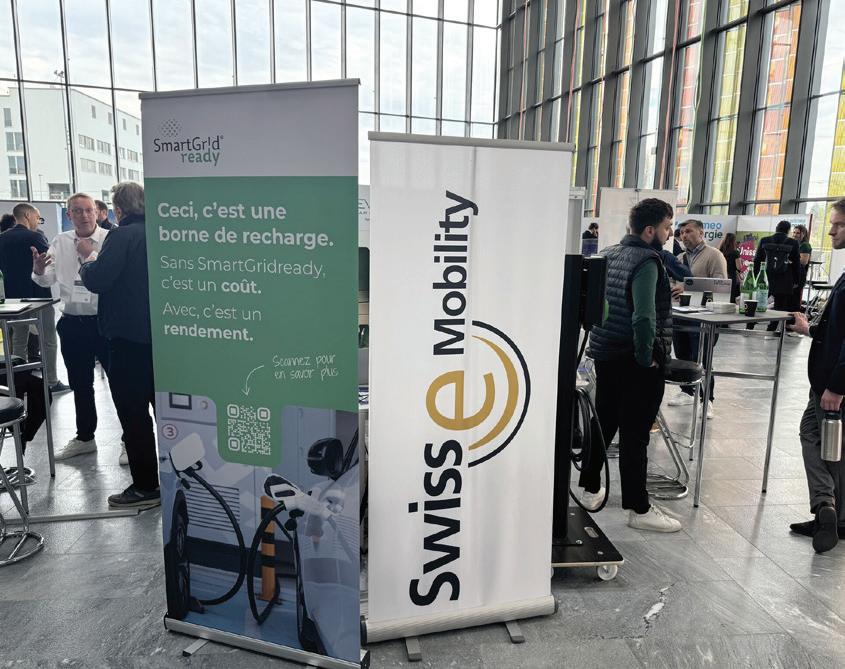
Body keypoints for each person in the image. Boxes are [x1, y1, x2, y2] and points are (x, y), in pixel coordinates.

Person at [581, 198, 681, 533]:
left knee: (603, 421)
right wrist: (645, 358)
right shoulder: (648, 261)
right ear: (650, 230)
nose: (670, 233)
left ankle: (590, 487)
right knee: (636, 435)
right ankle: (639, 509)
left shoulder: (609, 253)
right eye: (667, 227)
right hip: (634, 359)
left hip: (606, 352)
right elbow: (644, 317)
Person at [79, 182, 158, 510]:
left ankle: (146, 486)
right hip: (162, 339)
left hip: (128, 339)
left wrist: (88, 259)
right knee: (166, 412)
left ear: (118, 209)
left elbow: (99, 279)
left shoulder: (121, 236)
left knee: (133, 413)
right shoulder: (161, 233)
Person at [32, 193, 124, 464]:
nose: (83, 215)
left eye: (88, 210)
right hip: (72, 323)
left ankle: (129, 440)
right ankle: (85, 438)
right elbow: (46, 279)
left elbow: (111, 278)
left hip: (105, 323)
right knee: (80, 385)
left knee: (120, 385)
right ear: (69, 215)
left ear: (97, 212)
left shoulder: (110, 240)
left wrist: (89, 255)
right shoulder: (60, 241)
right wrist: (39, 270)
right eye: (77, 211)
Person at [787, 198, 845, 553]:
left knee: (818, 436)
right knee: (827, 440)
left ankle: (825, 506)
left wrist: (837, 387)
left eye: (838, 225)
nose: (831, 231)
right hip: (825, 379)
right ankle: (835, 516)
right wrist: (810, 329)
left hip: (833, 384)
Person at [0, 204, 69, 393]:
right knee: (48, 340)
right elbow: (50, 262)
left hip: (13, 301)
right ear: (28, 215)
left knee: (19, 340)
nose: (38, 222)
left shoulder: (2, 238)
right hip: (38, 297)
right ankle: (51, 382)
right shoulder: (35, 237)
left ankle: (19, 381)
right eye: (37, 218)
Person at [668, 219, 727, 416]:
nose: (684, 235)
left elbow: (721, 285)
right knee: (682, 355)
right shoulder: (679, 257)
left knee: (702, 359)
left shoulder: (714, 255)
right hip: (679, 314)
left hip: (703, 317)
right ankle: (687, 392)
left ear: (701, 233)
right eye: (682, 232)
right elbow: (671, 280)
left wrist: (687, 287)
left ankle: (707, 399)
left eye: (689, 231)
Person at [754, 220, 800, 328]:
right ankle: (771, 329)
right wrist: (796, 280)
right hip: (784, 279)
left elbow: (757, 260)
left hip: (765, 278)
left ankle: (750, 325)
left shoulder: (765, 240)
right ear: (788, 231)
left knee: (758, 302)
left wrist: (755, 277)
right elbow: (796, 264)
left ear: (776, 228)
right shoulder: (793, 243)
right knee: (779, 307)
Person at [792, 223, 812, 311]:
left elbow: (804, 261)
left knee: (794, 299)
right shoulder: (795, 244)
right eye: (794, 232)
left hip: (800, 275)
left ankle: (794, 317)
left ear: (803, 234)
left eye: (798, 233)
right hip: (794, 274)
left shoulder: (805, 245)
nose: (795, 235)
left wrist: (791, 259)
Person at [720, 232, 742, 304]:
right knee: (731, 297)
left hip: (721, 276)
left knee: (722, 297)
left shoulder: (719, 251)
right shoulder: (735, 252)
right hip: (731, 276)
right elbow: (739, 267)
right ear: (733, 241)